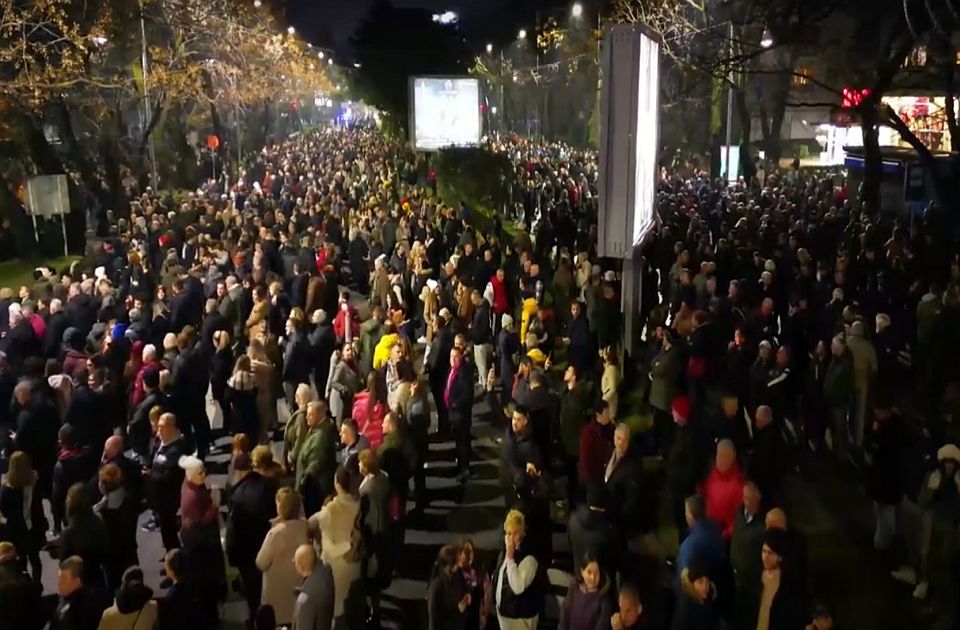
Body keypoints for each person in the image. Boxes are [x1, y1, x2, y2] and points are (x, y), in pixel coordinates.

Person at [227, 450, 279, 619]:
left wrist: (232, 557)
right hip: (269, 551)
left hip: (246, 556)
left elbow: (232, 532)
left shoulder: (237, 494)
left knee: (253, 598)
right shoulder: (271, 488)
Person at [308, 466, 363, 626]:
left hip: (334, 568)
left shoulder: (330, 510)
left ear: (336, 484)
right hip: (355, 563)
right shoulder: (360, 504)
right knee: (352, 609)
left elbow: (312, 525)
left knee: (335, 611)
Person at [257, 487, 311, 627]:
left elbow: (261, 562)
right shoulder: (305, 527)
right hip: (298, 591)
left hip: (276, 599)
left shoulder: (275, 533)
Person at [0, 451, 46, 582]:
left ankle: (23, 583)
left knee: (19, 560)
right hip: (33, 527)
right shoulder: (34, 483)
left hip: (15, 529)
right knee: (35, 559)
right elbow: (38, 506)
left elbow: (4, 510)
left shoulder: (6, 488)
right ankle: (37, 584)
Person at [146, 412, 188, 552]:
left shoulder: (177, 449)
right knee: (165, 529)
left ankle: (174, 556)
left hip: (169, 498)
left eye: (162, 427)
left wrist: (150, 475)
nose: (159, 431)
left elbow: (172, 477)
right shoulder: (159, 442)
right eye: (158, 427)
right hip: (158, 496)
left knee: (169, 530)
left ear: (172, 427)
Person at [94, 463, 140, 591]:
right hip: (130, 553)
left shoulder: (102, 512)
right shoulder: (129, 500)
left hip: (112, 561)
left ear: (103, 486)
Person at [495, 509, 541, 630]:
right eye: (509, 533)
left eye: (515, 533)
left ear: (522, 533)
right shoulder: (505, 551)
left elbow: (517, 586)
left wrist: (510, 558)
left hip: (520, 620)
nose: (511, 538)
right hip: (505, 618)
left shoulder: (529, 557)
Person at [60, 483, 109, 589]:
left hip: (77, 582)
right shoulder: (98, 523)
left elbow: (64, 563)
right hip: (97, 577)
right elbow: (105, 551)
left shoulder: (69, 534)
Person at [730, 480, 766, 627]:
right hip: (736, 571)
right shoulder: (739, 513)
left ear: (758, 498)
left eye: (750, 498)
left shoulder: (763, 525)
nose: (746, 502)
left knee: (749, 611)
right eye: (744, 497)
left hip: (751, 578)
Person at [756, 528, 807, 630]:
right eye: (764, 551)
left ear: (780, 556)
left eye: (770, 553)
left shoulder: (789, 585)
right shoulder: (756, 577)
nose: (765, 557)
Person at [567, 485, 622, 579]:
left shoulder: (573, 518)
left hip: (578, 575)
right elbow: (614, 561)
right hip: (597, 581)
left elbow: (569, 543)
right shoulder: (608, 532)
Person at [675, 495, 725, 594]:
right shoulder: (715, 529)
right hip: (718, 588)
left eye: (686, 511)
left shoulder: (688, 546)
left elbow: (684, 580)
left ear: (690, 516)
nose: (685, 514)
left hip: (699, 595)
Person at [297, 400, 337, 516]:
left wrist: (302, 483)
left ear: (320, 415)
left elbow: (315, 464)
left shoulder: (320, 436)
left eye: (311, 415)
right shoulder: (315, 430)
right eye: (307, 414)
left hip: (316, 489)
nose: (307, 417)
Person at [702, 439, 745, 540]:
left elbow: (739, 519)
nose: (720, 460)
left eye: (724, 457)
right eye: (719, 455)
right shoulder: (713, 474)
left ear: (732, 458)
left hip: (723, 535)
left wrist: (725, 535)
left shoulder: (738, 486)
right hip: (708, 528)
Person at [604, 423, 643, 535]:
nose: (621, 443)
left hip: (619, 516)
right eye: (618, 438)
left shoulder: (633, 465)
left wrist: (621, 517)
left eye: (625, 440)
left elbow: (631, 498)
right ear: (614, 438)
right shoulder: (609, 451)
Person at [558, 552, 613, 630]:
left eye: (596, 573)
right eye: (589, 572)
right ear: (582, 571)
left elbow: (601, 627)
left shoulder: (603, 599)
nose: (592, 577)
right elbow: (564, 614)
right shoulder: (574, 588)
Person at [51, 556, 108, 630]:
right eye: (59, 578)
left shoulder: (82, 608)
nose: (59, 583)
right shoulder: (64, 599)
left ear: (77, 582)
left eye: (64, 579)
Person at [446, 346, 476, 480]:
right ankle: (460, 466)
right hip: (454, 413)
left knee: (463, 443)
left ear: (461, 357)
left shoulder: (464, 373)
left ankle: (465, 469)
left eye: (455, 357)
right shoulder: (454, 370)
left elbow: (466, 394)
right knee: (459, 442)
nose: (452, 359)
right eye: (451, 356)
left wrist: (454, 404)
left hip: (460, 414)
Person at [292, 544, 335, 630]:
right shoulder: (326, 579)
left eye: (295, 561)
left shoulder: (305, 599)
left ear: (300, 567)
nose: (292, 561)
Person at [428, 544, 469, 630]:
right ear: (448, 566)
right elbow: (434, 617)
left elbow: (464, 586)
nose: (458, 565)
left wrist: (467, 594)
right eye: (456, 562)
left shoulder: (457, 574)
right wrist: (458, 609)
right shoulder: (437, 586)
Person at [672, 560, 722, 630]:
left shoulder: (710, 605)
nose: (706, 584)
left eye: (707, 580)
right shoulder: (689, 614)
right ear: (691, 587)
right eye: (700, 581)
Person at [579, 401, 615, 493]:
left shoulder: (611, 428)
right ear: (598, 414)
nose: (609, 415)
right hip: (595, 477)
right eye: (606, 412)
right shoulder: (589, 433)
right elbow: (585, 458)